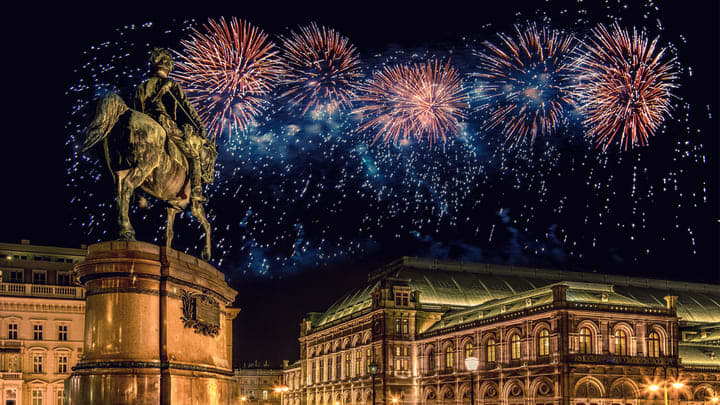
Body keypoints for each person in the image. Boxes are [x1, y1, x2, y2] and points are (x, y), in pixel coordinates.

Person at [135, 47, 208, 202]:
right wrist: (201, 127)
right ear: (168, 66)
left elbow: (136, 111)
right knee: (194, 156)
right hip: (163, 122)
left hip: (142, 124)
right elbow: (187, 107)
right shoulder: (171, 84)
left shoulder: (141, 87)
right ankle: (196, 191)